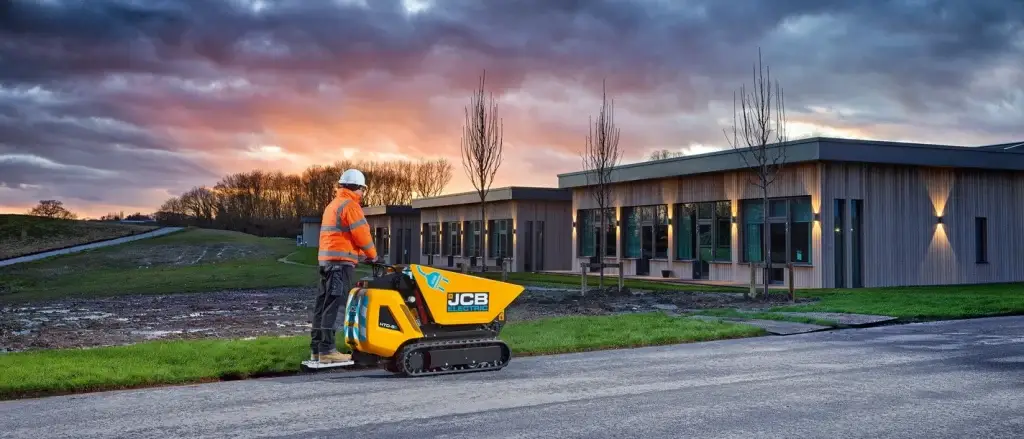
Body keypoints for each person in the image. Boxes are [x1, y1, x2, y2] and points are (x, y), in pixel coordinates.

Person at [310, 168, 379, 364]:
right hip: (340, 266)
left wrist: (356, 255)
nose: (362, 194)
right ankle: (327, 350)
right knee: (335, 305)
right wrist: (372, 256)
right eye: (362, 190)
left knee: (322, 305)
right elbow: (362, 235)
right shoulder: (351, 205)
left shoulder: (333, 205)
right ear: (357, 187)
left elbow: (339, 237)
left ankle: (317, 349)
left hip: (326, 262)